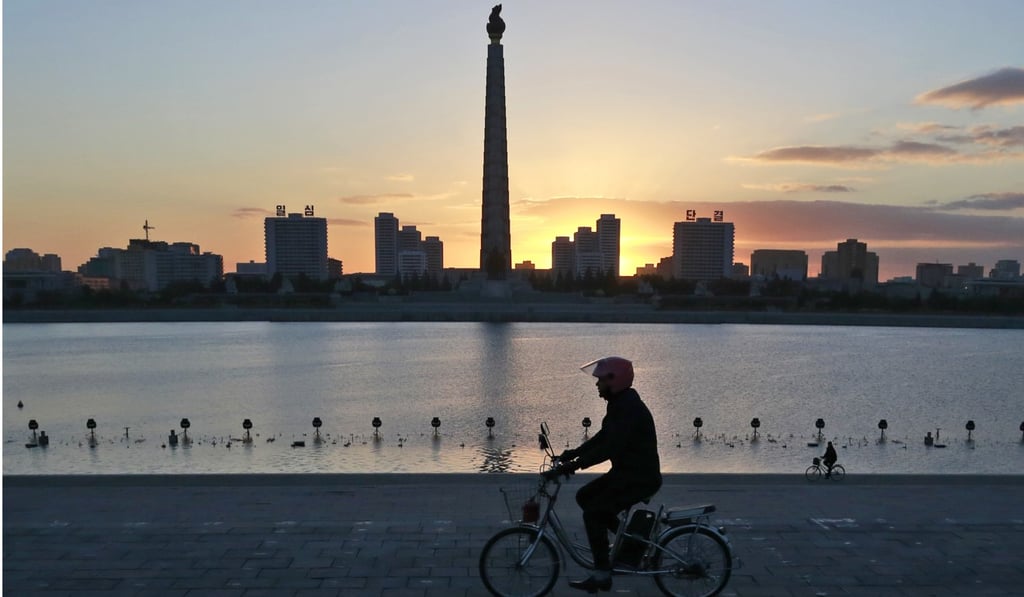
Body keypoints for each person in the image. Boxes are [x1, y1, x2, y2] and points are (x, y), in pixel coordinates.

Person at [543, 356, 662, 593]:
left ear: (614, 380)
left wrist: (575, 465)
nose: (596, 385)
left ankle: (602, 574)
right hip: (628, 473)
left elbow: (611, 447)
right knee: (585, 497)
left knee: (594, 514)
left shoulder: (628, 407)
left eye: (600, 380)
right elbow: (603, 437)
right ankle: (629, 544)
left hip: (639, 478)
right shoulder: (621, 403)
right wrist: (573, 454)